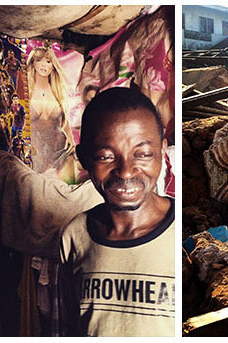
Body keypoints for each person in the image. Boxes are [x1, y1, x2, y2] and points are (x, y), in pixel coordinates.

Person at [60, 87, 174, 336]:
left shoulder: (184, 236)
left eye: (143, 154)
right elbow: (70, 326)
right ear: (83, 158)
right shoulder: (75, 236)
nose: (126, 171)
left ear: (162, 151)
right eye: (105, 157)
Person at [26, 46, 77, 183]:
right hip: (34, 154)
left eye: (48, 61)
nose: (44, 64)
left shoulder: (59, 91)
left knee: (66, 195)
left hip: (60, 151)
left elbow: (64, 118)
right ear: (33, 63)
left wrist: (71, 140)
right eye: (39, 60)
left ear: (53, 66)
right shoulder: (25, 90)